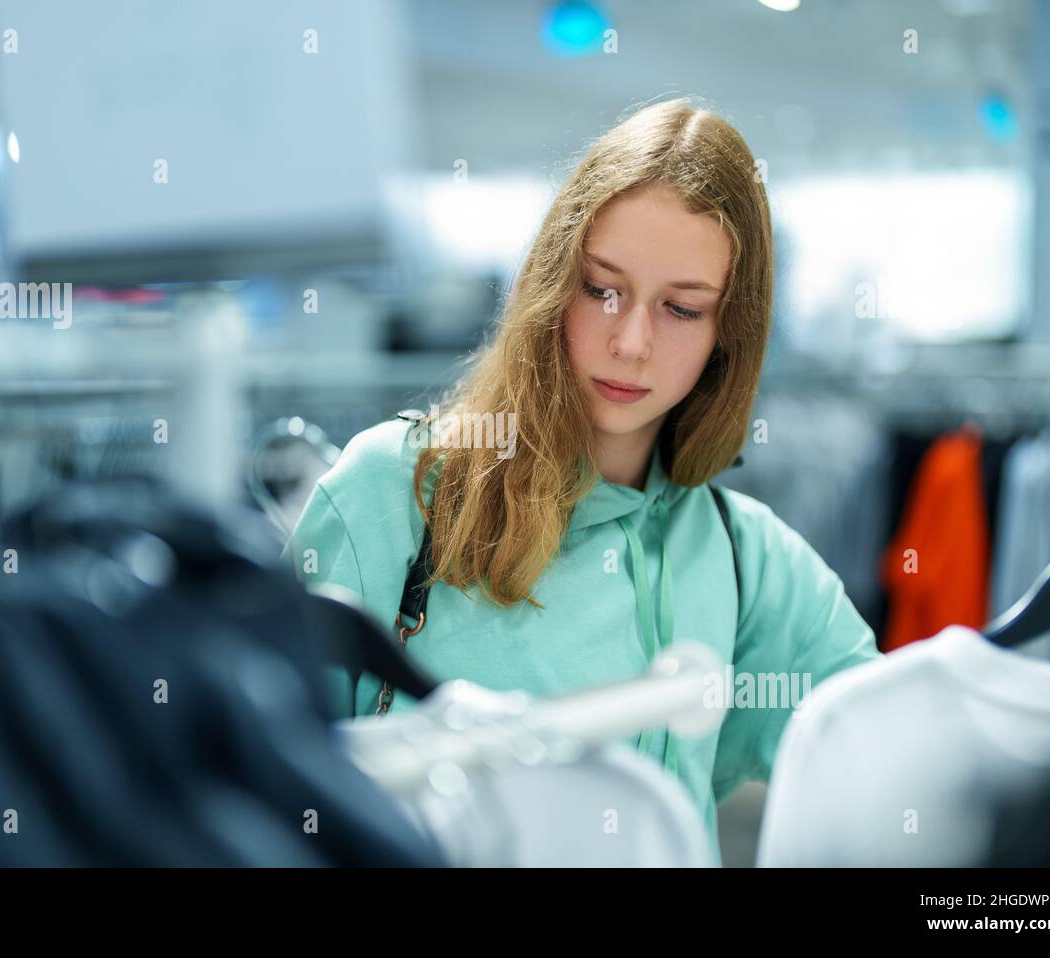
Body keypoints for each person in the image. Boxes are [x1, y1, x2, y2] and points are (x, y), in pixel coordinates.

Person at [281, 96, 880, 862]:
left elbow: (897, 757)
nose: (631, 342)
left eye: (682, 309)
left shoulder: (744, 554)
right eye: (603, 289)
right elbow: (265, 795)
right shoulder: (394, 494)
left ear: (728, 331)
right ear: (553, 281)